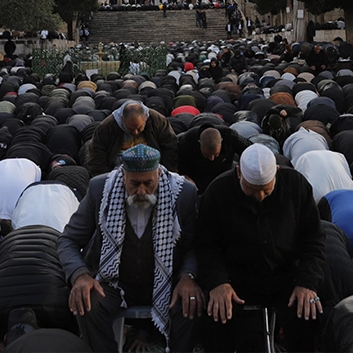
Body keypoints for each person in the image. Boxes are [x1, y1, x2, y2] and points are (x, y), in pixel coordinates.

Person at [60, 145, 201, 352]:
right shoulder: (100, 189)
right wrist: (80, 275)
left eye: (148, 183)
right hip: (115, 284)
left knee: (191, 301)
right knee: (87, 300)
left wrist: (188, 276)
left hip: (166, 282)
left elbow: (193, 246)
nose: (142, 191)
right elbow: (68, 240)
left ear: (159, 173)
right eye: (134, 183)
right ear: (123, 175)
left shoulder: (183, 193)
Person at [197, 145, 325, 352]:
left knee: (308, 311)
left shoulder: (296, 186)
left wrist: (307, 282)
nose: (260, 196)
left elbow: (314, 241)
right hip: (237, 280)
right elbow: (206, 246)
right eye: (252, 190)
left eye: (266, 189)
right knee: (217, 315)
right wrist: (217, 282)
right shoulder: (218, 191)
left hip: (287, 277)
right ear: (239, 173)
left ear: (276, 172)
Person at [87, 101, 179, 175]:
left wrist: (168, 174)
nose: (135, 132)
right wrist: (106, 179)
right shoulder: (107, 127)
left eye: (139, 128)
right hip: (119, 172)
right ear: (122, 120)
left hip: (154, 169)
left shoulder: (158, 121)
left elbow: (170, 147)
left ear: (145, 118)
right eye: (130, 129)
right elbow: (97, 155)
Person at [178, 124, 249, 192]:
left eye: (216, 154)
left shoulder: (230, 136)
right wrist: (184, 177)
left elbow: (251, 151)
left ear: (221, 141)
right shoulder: (186, 141)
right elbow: (173, 163)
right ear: (199, 143)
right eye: (206, 154)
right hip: (197, 181)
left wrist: (243, 172)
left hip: (225, 178)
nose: (211, 158)